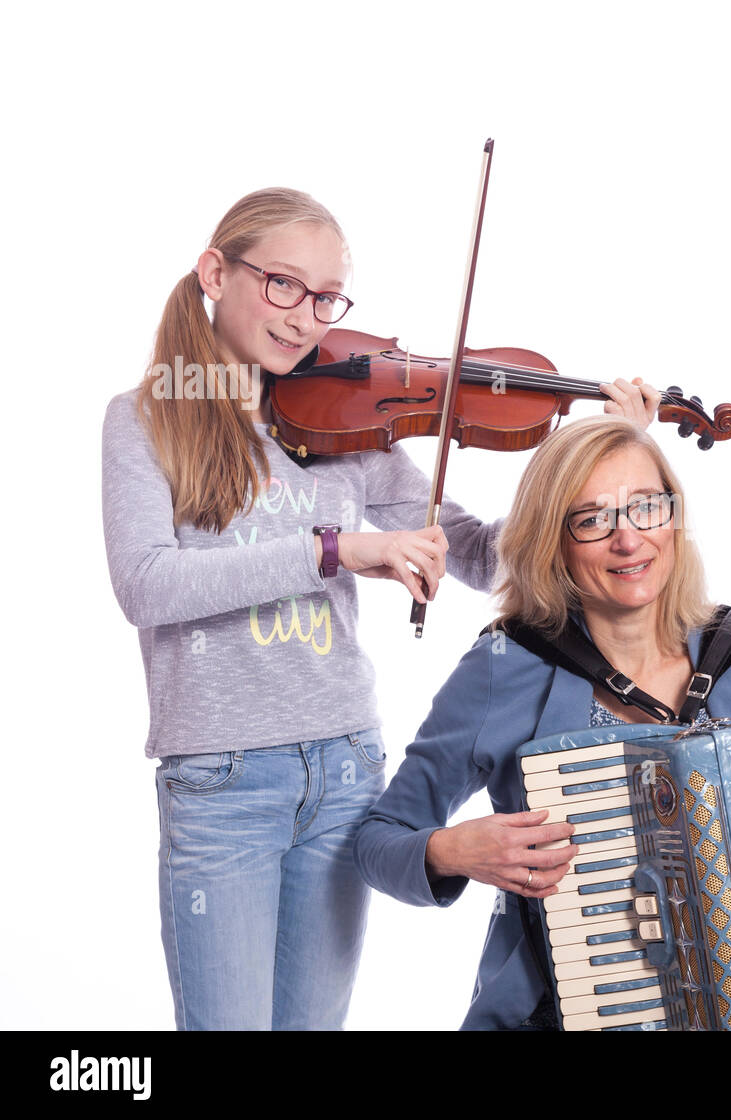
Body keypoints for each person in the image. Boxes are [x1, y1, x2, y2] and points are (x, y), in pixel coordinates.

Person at [103, 187, 660, 1030]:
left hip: (343, 770)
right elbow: (147, 586)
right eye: (283, 285)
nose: (305, 319)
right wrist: (334, 550)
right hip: (222, 782)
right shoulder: (144, 422)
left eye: (327, 298)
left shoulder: (349, 424)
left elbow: (473, 555)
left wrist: (588, 469)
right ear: (216, 272)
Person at [355, 416, 731, 1029]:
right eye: (594, 519)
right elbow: (378, 838)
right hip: (560, 1012)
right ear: (555, 539)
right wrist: (451, 850)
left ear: (673, 517)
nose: (629, 541)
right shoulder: (506, 666)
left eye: (645, 508)